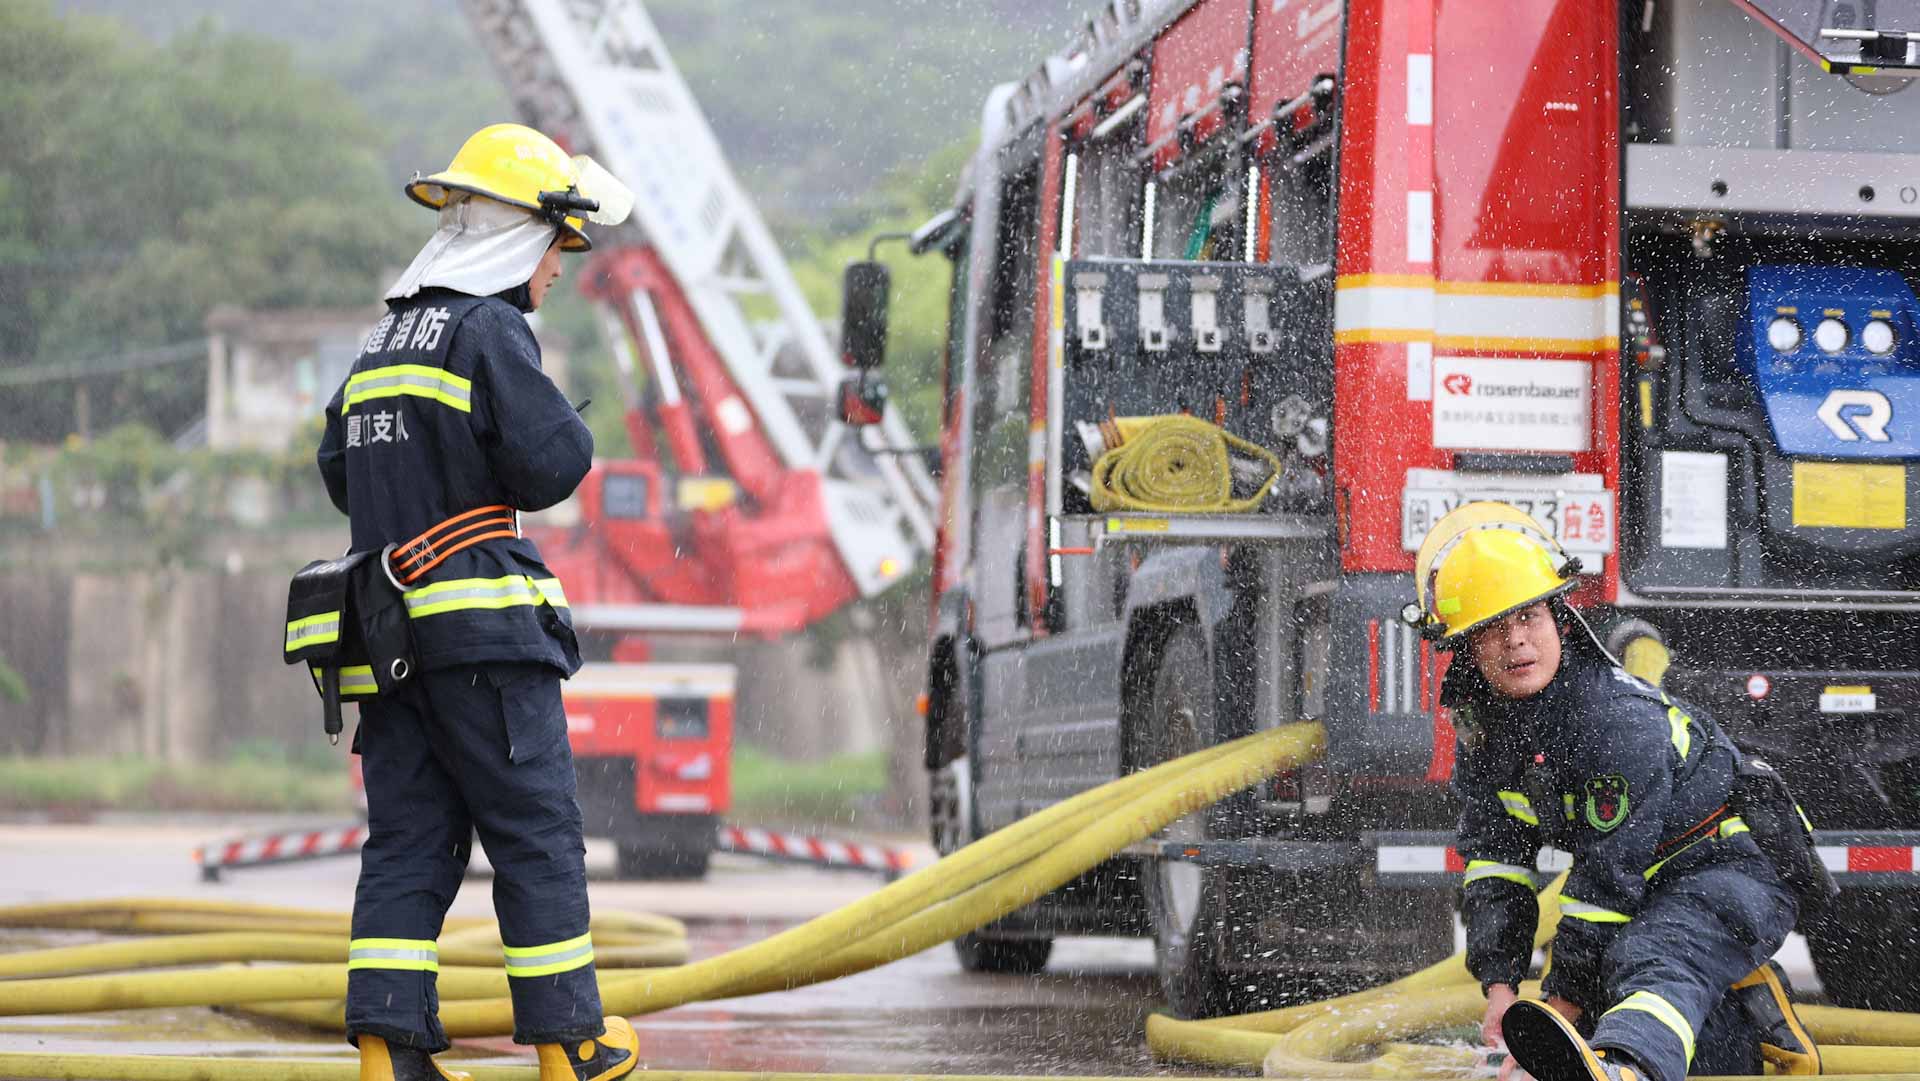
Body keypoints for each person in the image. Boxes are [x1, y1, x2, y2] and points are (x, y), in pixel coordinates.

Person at [315, 123, 638, 1081]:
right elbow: (554, 465)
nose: (558, 270)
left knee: (409, 837)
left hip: (389, 645)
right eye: (555, 248)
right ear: (514, 238)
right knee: (536, 831)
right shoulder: (490, 330)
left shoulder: (381, 339)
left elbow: (338, 469)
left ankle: (390, 1051)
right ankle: (571, 1042)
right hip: (484, 644)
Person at [1405, 502, 1823, 1081]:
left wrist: (1556, 1022)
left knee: (1648, 960)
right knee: (1620, 978)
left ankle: (1626, 1070)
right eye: (1493, 629)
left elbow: (1605, 884)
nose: (1517, 642)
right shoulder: (1488, 732)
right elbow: (1496, 861)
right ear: (1468, 651)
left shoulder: (1612, 721)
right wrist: (1500, 989)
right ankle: (1744, 1015)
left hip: (1731, 865)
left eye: (1528, 618)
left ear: (1558, 617)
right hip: (1650, 885)